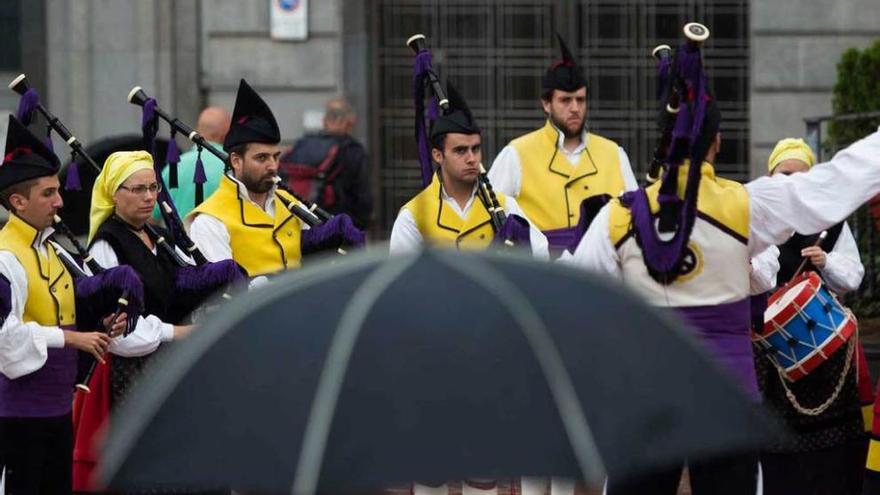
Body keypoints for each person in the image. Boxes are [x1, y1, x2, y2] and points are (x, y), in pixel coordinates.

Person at [567, 102, 880, 493]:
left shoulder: (617, 217)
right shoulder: (746, 204)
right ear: (717, 141)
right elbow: (837, 181)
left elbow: (576, 304)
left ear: (661, 142)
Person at [72, 150, 248, 491]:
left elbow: (177, 287)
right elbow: (120, 335)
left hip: (170, 367)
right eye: (137, 189)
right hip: (133, 377)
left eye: (153, 188)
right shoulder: (108, 245)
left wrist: (216, 279)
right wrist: (175, 332)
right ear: (113, 194)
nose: (149, 197)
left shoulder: (155, 237)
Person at [0, 115, 126, 493]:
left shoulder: (51, 248)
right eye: (47, 194)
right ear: (17, 201)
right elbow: (6, 339)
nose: (59, 201)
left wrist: (101, 325)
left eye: (58, 191)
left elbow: (64, 313)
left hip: (58, 408)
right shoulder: (6, 256)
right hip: (17, 416)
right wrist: (72, 340)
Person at [749, 138, 873, 495]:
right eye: (783, 174)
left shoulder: (829, 223)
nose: (790, 183)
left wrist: (827, 261)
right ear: (770, 176)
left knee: (829, 453)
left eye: (800, 176)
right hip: (770, 353)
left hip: (824, 356)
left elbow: (854, 276)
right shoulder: (757, 221)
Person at [188, 79, 364, 276]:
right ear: (236, 161)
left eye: (275, 157)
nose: (272, 166)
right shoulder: (210, 220)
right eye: (261, 158)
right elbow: (222, 293)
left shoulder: (290, 204)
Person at [488, 34, 637, 256]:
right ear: (546, 104)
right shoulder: (516, 154)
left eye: (581, 99)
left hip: (603, 272)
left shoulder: (614, 153)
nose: (575, 108)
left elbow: (636, 219)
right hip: (544, 275)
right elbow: (491, 217)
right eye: (566, 100)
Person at [390, 83, 548, 259]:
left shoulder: (505, 206)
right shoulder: (412, 217)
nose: (472, 158)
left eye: (476, 149)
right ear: (437, 155)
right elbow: (402, 277)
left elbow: (540, 256)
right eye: (460, 150)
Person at [280, 96, 373, 229]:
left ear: (324, 121)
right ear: (350, 122)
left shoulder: (302, 144)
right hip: (336, 226)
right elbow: (363, 200)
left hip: (298, 223)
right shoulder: (353, 151)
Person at [157, 106, 231, 217]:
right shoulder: (233, 167)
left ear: (197, 130)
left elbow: (152, 216)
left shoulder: (173, 167)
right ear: (227, 132)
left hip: (178, 234)